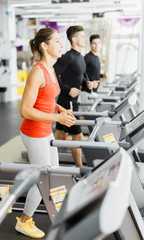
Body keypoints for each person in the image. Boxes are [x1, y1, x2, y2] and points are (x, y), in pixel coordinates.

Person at [0, 27, 76, 239]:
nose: (62, 45)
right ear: (45, 45)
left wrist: (60, 109)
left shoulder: (51, 69)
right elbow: (26, 110)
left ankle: (10, 191)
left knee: (54, 172)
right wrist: (57, 119)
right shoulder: (38, 70)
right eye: (58, 41)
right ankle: (24, 222)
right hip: (34, 132)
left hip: (44, 130)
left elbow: (47, 99)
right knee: (45, 179)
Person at [54, 25, 93, 168]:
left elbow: (80, 75)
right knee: (77, 135)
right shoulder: (68, 57)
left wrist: (86, 82)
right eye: (82, 36)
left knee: (59, 134)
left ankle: (47, 157)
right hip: (67, 101)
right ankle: (79, 168)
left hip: (73, 102)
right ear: (74, 39)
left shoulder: (80, 57)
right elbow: (53, 73)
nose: (85, 39)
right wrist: (67, 89)